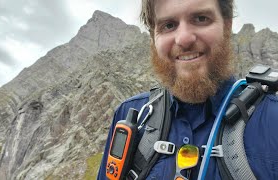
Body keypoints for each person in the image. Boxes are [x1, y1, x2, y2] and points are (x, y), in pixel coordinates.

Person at [97, 0, 278, 179]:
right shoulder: (129, 116)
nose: (183, 39)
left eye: (201, 18)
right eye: (168, 25)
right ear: (153, 37)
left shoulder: (273, 121)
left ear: (227, 24)